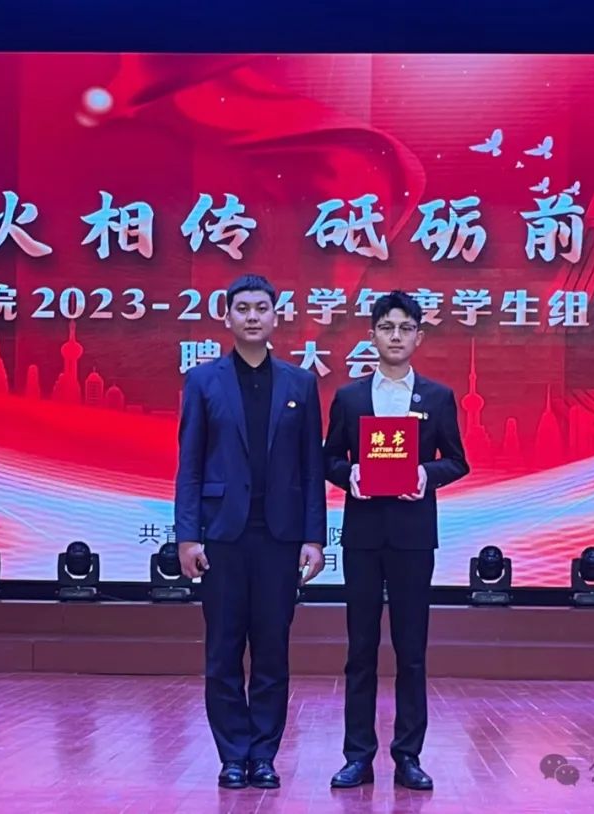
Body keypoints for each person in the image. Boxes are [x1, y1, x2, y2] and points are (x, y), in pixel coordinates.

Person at [175, 274, 326, 790]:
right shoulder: (203, 381)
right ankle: (232, 755)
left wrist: (314, 538)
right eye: (243, 309)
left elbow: (311, 469)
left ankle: (263, 754)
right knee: (222, 651)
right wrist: (187, 536)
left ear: (275, 317)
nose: (253, 316)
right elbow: (190, 465)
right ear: (227, 318)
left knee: (271, 651)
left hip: (279, 539)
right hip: (222, 537)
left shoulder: (300, 384)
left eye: (262, 308)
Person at [323, 290, 470, 791]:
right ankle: (357, 756)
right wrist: (350, 475)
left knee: (411, 651)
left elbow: (457, 460)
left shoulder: (437, 397)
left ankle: (408, 756)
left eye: (406, 328)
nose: (396, 336)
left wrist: (426, 474)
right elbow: (328, 459)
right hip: (363, 537)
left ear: (419, 337)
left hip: (413, 538)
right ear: (372, 336)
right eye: (387, 327)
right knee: (360, 649)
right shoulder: (349, 398)